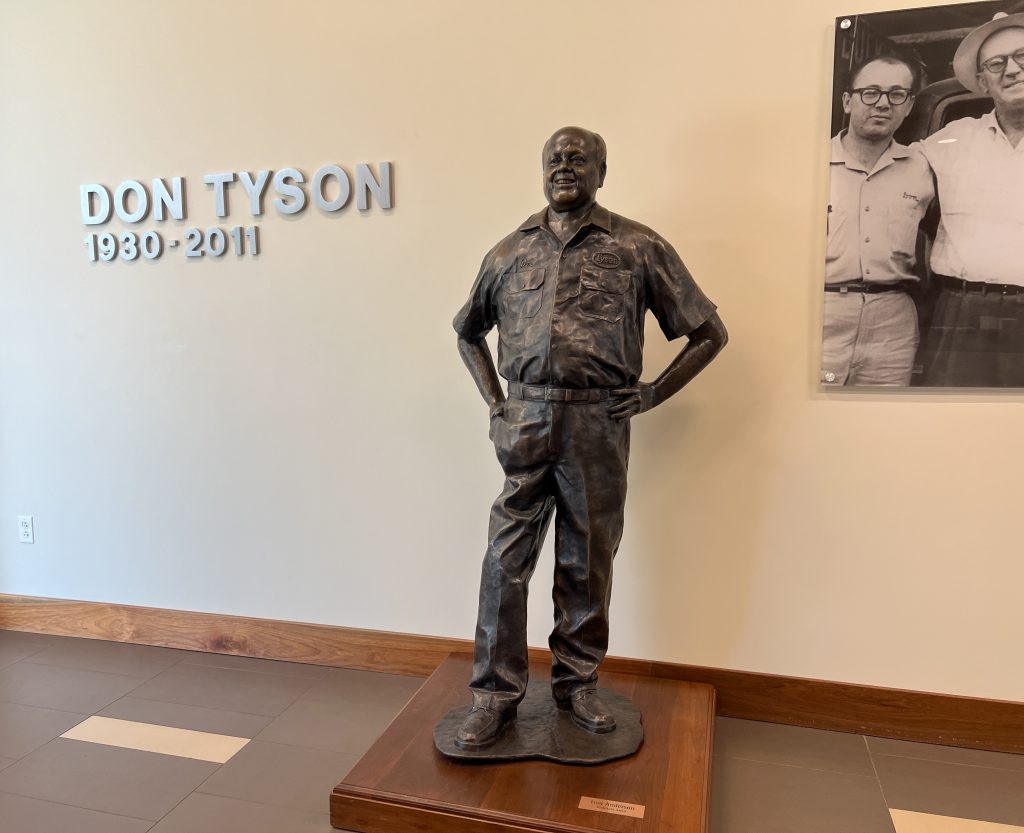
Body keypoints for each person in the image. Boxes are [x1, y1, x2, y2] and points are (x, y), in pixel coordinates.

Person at [451, 126, 727, 749]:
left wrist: (653, 392)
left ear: (603, 171)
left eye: (579, 158)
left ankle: (576, 685)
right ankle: (493, 695)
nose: (565, 166)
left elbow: (709, 333)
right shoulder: (509, 251)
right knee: (504, 560)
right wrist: (496, 404)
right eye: (555, 158)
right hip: (525, 421)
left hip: (596, 424)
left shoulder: (637, 246)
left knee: (587, 559)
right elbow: (467, 332)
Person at [918, 12, 1024, 386]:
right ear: (982, 81)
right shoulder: (953, 139)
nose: (1012, 70)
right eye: (996, 64)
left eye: (1022, 56)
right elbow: (891, 171)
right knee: (951, 415)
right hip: (961, 310)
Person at [822, 53, 934, 386]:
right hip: (821, 312)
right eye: (870, 93)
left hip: (892, 323)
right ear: (847, 101)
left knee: (882, 413)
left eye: (896, 94)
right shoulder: (809, 162)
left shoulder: (923, 167)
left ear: (909, 105)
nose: (883, 104)